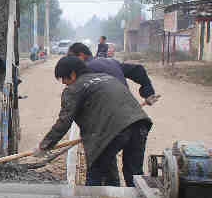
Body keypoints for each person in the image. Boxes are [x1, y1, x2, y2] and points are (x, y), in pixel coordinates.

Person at [33, 56, 152, 187]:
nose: (63, 83)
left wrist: (44, 146)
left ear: (72, 74)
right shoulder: (108, 78)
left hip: (114, 130)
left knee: (95, 175)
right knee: (134, 175)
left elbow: (64, 122)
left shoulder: (74, 89)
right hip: (140, 124)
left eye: (63, 78)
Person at [67, 42, 160, 106]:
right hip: (130, 108)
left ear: (81, 55)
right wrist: (148, 93)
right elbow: (138, 70)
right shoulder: (111, 62)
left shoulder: (85, 69)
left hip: (111, 118)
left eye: (71, 57)